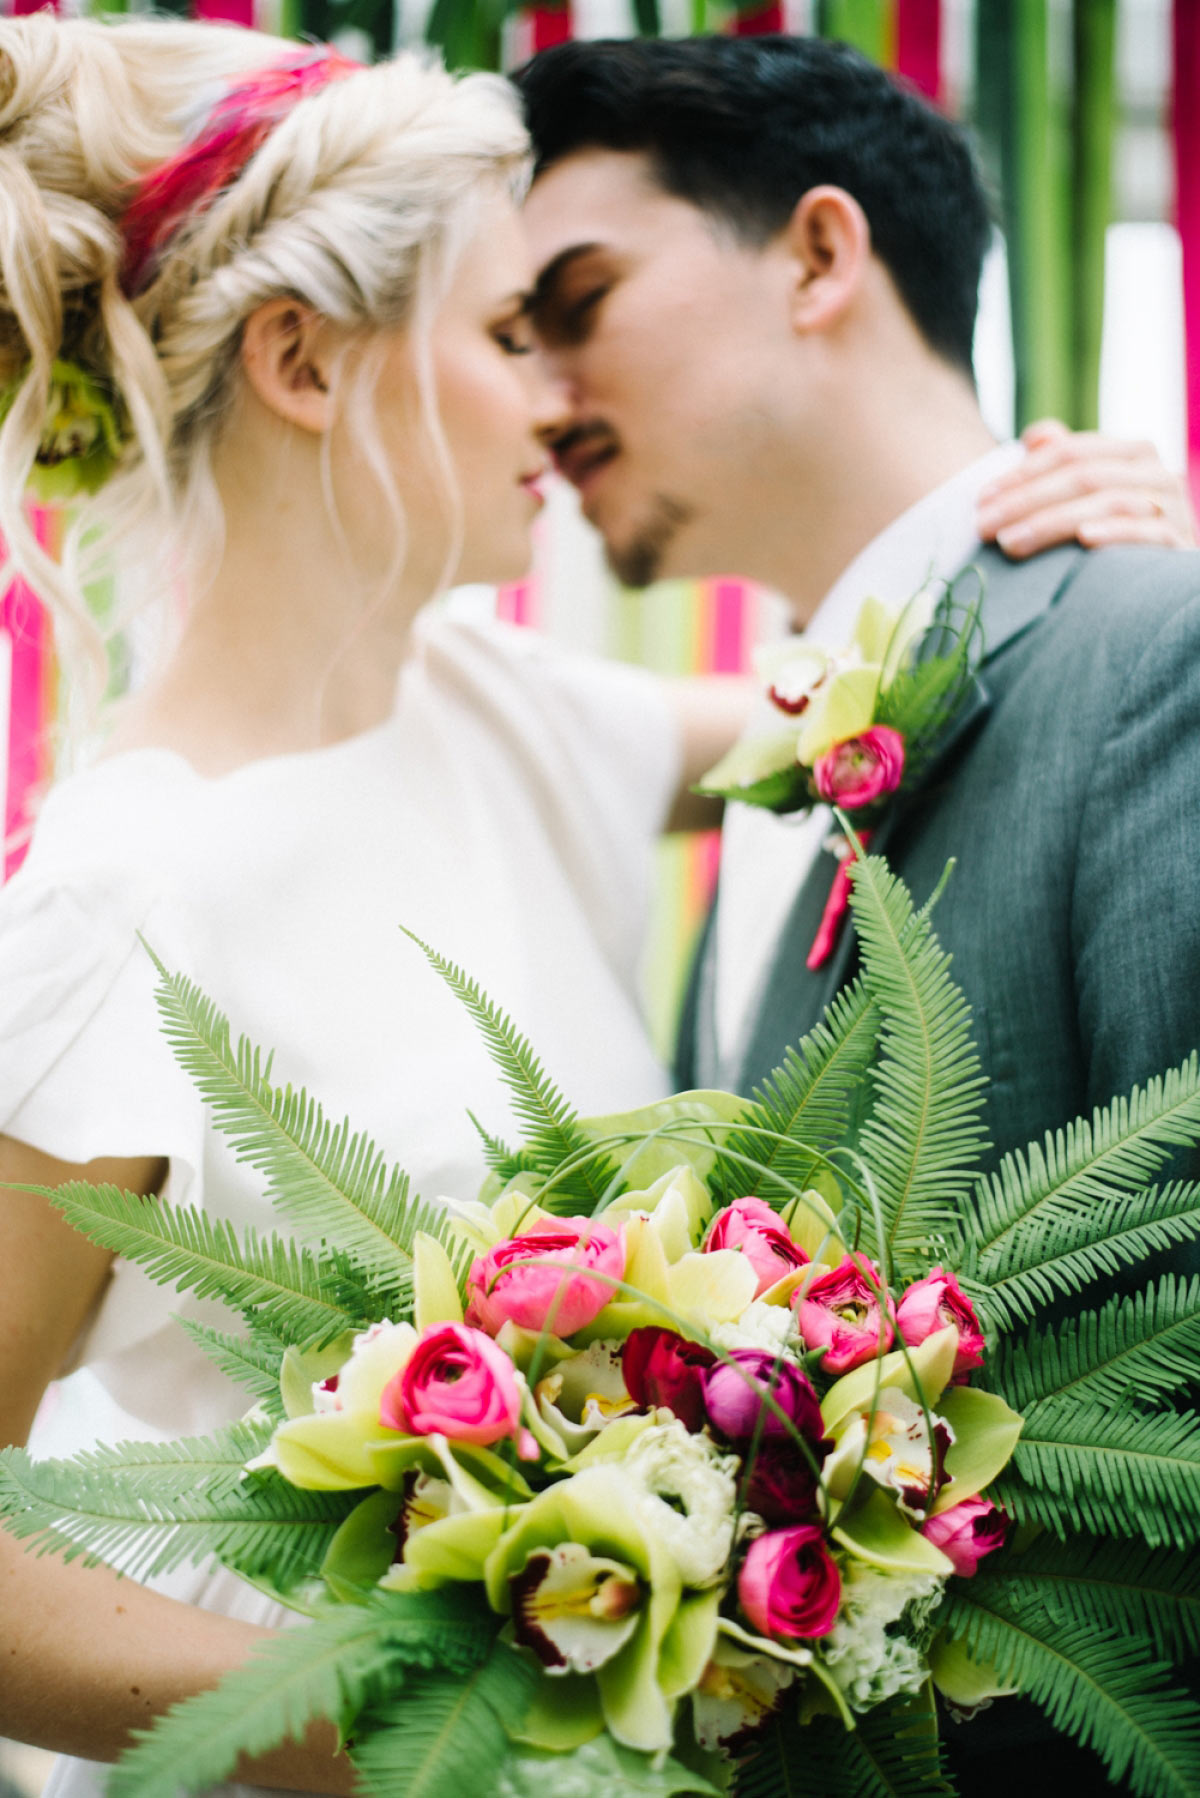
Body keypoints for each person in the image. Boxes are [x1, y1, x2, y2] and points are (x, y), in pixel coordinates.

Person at [0, 17, 1181, 1793]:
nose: (556, 399)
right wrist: (444, 1731)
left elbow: (923, 677)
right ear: (307, 365)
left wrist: (1105, 509)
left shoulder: (515, 714)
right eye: (503, 335)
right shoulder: (113, 895)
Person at [512, 33, 1200, 1793]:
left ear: (820, 253)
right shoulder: (766, 746)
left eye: (577, 300)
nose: (536, 392)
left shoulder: (1151, 654)